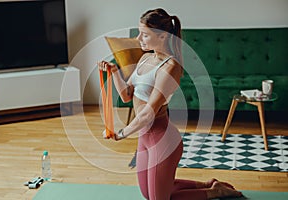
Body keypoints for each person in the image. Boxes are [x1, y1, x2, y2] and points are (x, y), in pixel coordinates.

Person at [98, 8, 243, 200]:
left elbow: (149, 112)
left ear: (162, 37)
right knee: (148, 194)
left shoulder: (170, 67)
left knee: (159, 199)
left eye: (145, 35)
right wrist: (115, 71)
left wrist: (122, 133)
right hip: (145, 138)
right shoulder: (145, 58)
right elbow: (126, 95)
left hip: (163, 141)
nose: (138, 38)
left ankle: (214, 192)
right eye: (139, 32)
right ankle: (207, 184)